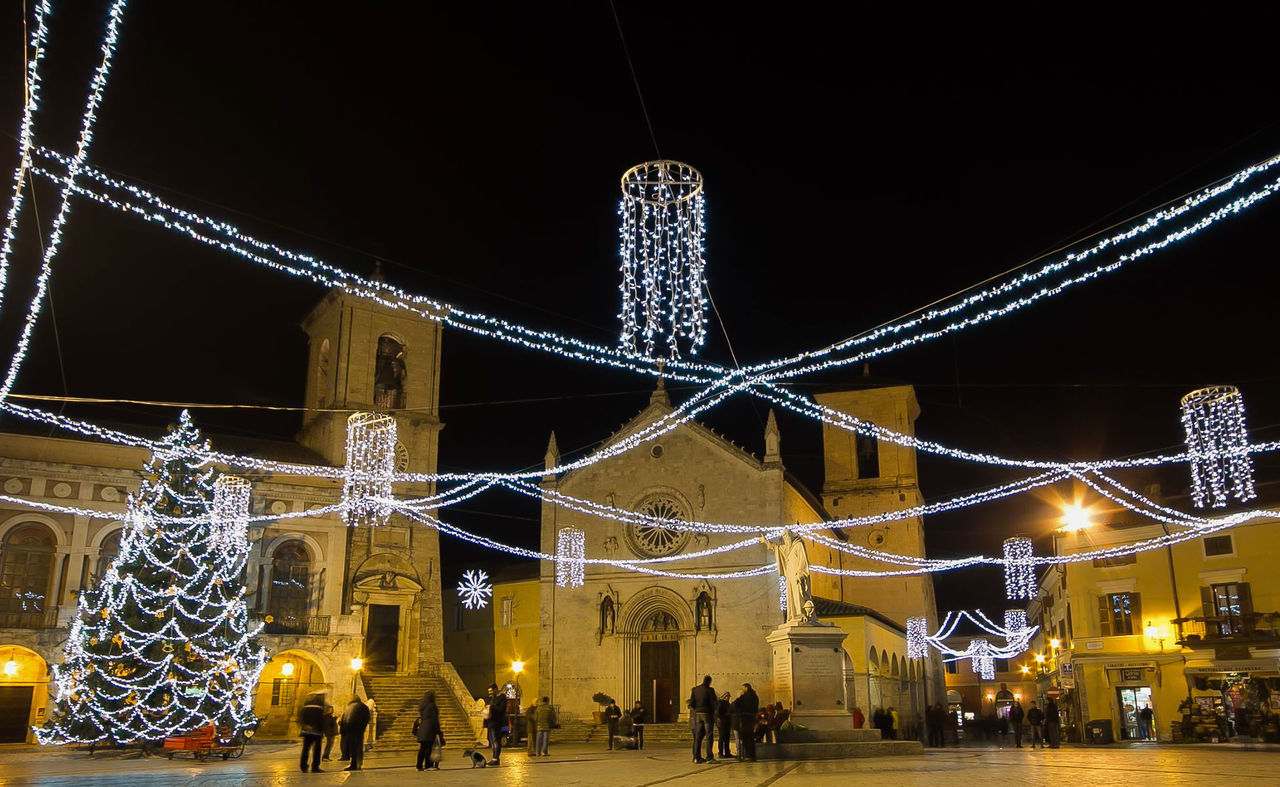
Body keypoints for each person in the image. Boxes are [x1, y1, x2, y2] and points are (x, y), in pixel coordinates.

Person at [689, 675, 717, 762]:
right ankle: (709, 757)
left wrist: (697, 709)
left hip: (698, 714)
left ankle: (696, 757)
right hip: (707, 714)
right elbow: (714, 703)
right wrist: (714, 712)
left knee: (698, 736)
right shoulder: (710, 690)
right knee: (709, 735)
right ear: (709, 681)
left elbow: (691, 703)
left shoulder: (695, 689)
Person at [415, 691, 444, 771]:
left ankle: (419, 765)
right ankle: (428, 765)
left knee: (422, 748)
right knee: (428, 748)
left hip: (422, 728)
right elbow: (435, 719)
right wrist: (438, 731)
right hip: (429, 729)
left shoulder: (422, 705)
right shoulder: (432, 706)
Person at [298, 691, 326, 773]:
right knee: (317, 750)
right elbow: (321, 719)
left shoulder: (306, 705)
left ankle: (303, 767)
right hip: (317, 731)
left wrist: (305, 725)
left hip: (306, 731)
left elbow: (300, 717)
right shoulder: (320, 707)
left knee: (305, 749)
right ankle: (315, 767)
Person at [340, 696, 370, 771]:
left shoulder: (352, 707)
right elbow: (367, 718)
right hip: (356, 730)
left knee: (354, 748)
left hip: (353, 730)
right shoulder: (363, 707)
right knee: (356, 747)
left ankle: (355, 764)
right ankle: (357, 763)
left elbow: (345, 718)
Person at [731, 682, 759, 762]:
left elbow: (735, 704)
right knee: (750, 737)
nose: (742, 690)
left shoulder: (745, 696)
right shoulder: (755, 696)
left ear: (746, 688)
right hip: (752, 718)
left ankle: (748, 756)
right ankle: (752, 756)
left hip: (745, 718)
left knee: (746, 738)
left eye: (743, 688)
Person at [484, 683, 508, 766]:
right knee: (492, 741)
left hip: (497, 723)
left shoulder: (502, 698)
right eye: (489, 691)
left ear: (495, 689)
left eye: (491, 691)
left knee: (496, 741)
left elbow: (502, 709)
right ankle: (494, 757)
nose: (489, 693)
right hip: (490, 723)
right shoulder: (491, 699)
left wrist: (491, 707)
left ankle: (496, 759)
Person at [715, 692, 732, 758]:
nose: (728, 698)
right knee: (722, 738)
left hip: (727, 722)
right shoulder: (720, 703)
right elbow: (717, 713)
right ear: (724, 697)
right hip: (722, 722)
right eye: (727, 696)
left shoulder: (727, 703)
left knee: (727, 738)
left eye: (729, 697)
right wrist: (724, 716)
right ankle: (721, 753)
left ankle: (727, 752)